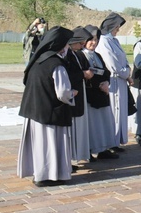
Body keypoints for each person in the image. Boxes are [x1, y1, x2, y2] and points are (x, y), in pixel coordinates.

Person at [17, 26, 76, 187]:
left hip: (34, 110)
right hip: (50, 113)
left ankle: (40, 174)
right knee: (49, 145)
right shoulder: (57, 64)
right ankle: (48, 176)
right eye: (66, 44)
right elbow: (63, 93)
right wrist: (73, 94)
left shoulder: (37, 60)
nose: (67, 47)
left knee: (39, 146)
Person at [81, 25, 119, 160]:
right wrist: (98, 84)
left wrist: (106, 83)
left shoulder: (97, 55)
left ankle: (103, 148)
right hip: (90, 95)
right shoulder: (81, 55)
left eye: (96, 39)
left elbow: (106, 72)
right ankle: (90, 150)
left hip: (102, 94)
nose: (94, 42)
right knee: (92, 125)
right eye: (91, 39)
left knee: (104, 123)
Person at [96, 13, 132, 148]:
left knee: (120, 111)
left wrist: (128, 71)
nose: (118, 29)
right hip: (113, 81)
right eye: (117, 26)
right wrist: (125, 73)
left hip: (122, 80)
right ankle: (111, 141)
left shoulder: (115, 41)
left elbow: (124, 58)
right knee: (113, 111)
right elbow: (112, 64)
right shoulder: (104, 41)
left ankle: (117, 140)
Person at [66, 26, 94, 170]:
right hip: (71, 96)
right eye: (80, 43)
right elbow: (67, 74)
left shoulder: (76, 54)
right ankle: (68, 160)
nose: (82, 46)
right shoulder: (67, 54)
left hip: (80, 94)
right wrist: (83, 74)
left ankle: (76, 156)